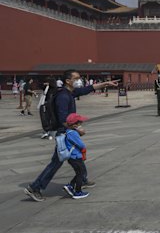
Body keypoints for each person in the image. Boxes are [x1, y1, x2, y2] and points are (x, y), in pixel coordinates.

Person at [24, 69, 118, 202]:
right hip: (65, 133)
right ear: (68, 81)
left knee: (74, 158)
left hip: (68, 131)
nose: (79, 80)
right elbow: (63, 119)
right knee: (58, 162)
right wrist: (77, 130)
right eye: (77, 78)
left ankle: (82, 179)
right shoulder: (63, 96)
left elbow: (86, 89)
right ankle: (35, 187)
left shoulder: (69, 92)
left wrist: (105, 84)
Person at [62, 113, 90, 199]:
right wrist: (80, 133)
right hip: (75, 157)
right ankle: (78, 192)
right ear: (75, 125)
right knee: (81, 174)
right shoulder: (73, 133)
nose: (81, 125)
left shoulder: (68, 131)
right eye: (80, 123)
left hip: (73, 157)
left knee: (79, 173)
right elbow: (81, 145)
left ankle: (70, 185)